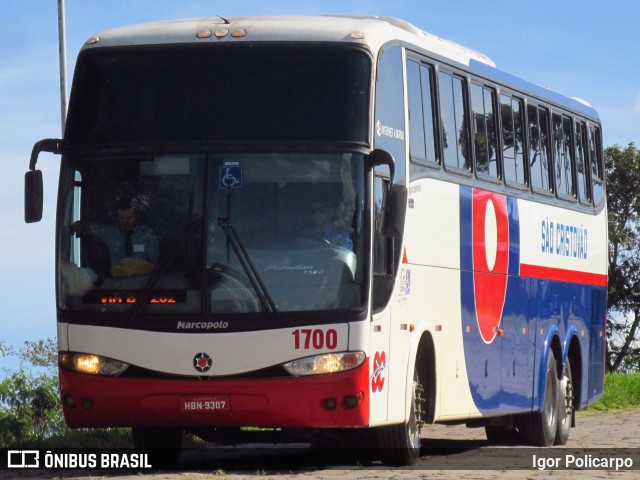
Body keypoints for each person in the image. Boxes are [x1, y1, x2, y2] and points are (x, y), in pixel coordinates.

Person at [72, 196, 160, 278]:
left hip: (143, 284)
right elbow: (88, 228)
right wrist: (78, 225)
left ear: (137, 215)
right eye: (121, 218)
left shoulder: (148, 234)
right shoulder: (110, 232)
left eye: (129, 218)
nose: (125, 221)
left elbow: (154, 264)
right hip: (116, 284)